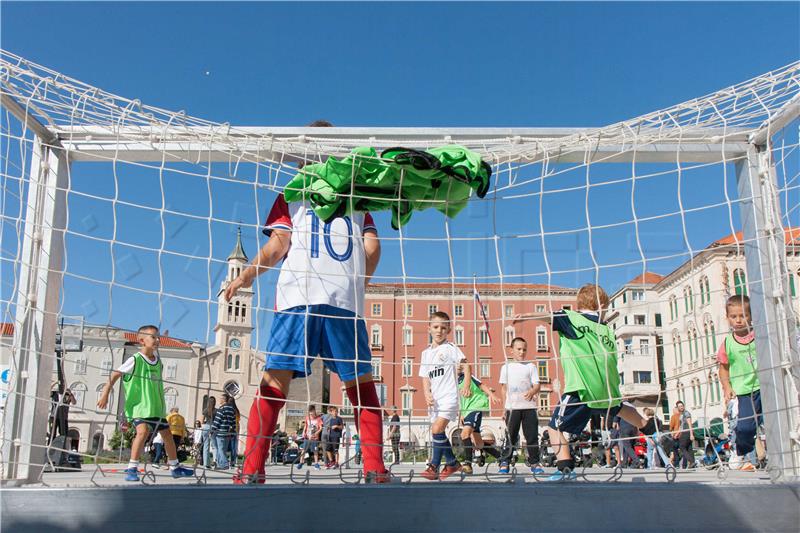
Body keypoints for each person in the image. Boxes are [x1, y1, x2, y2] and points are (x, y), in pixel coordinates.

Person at [227, 125, 388, 483]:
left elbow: (277, 246)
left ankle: (252, 468)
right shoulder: (355, 197)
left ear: (301, 154)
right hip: (344, 299)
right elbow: (373, 248)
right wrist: (361, 280)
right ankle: (376, 468)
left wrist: (246, 276)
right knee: (360, 387)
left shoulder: (293, 191)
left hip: (298, 297)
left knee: (275, 381)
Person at [514, 284, 652, 481]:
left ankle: (565, 469)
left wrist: (526, 316)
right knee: (618, 407)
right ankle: (650, 428)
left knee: (554, 428)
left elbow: (549, 316)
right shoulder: (605, 329)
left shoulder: (571, 318)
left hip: (582, 388)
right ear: (602, 305)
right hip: (607, 387)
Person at [97, 325, 193, 481]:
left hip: (156, 408)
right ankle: (132, 468)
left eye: (158, 337)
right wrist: (105, 393)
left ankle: (175, 467)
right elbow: (115, 374)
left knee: (167, 436)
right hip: (139, 407)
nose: (157, 340)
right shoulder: (135, 359)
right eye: (153, 337)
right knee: (142, 432)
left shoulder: (158, 362)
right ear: (141, 340)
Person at [419, 311, 470, 481]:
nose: (439, 330)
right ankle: (452, 462)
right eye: (435, 327)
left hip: (449, 397)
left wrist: (467, 385)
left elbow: (466, 365)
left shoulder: (451, 348)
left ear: (448, 330)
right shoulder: (425, 353)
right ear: (429, 328)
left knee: (436, 429)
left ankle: (433, 466)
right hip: (436, 400)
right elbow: (425, 376)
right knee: (437, 432)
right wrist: (427, 393)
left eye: (443, 327)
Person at [717, 294, 761, 472]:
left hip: (766, 386)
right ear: (727, 318)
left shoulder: (760, 334)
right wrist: (727, 387)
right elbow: (723, 368)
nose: (739, 320)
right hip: (744, 392)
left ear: (751, 316)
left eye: (743, 316)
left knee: (776, 425)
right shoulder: (728, 342)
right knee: (744, 428)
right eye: (734, 317)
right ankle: (742, 451)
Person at [498, 337, 543, 475]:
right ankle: (505, 461)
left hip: (529, 407)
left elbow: (537, 385)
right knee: (510, 436)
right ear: (511, 350)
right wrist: (504, 409)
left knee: (532, 436)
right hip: (512, 408)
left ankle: (535, 462)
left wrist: (532, 391)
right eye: (518, 349)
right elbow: (504, 389)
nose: (522, 352)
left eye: (524, 349)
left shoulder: (531, 366)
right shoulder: (505, 367)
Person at [457, 363, 502, 475]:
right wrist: (462, 413)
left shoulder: (468, 376)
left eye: (459, 365)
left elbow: (482, 385)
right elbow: (461, 398)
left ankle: (468, 464)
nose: (458, 366)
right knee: (479, 444)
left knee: (464, 435)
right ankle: (501, 456)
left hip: (475, 407)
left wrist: (492, 395)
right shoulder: (455, 380)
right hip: (467, 410)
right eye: (455, 365)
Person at [211, 393, 237, 469]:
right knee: (223, 449)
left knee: (221, 449)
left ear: (223, 399)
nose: (219, 400)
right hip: (228, 432)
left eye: (220, 398)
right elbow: (233, 421)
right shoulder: (232, 409)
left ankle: (225, 464)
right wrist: (233, 431)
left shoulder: (221, 408)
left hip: (220, 432)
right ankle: (220, 464)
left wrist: (212, 429)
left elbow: (217, 420)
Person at [297, 405, 323, 469]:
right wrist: (303, 432)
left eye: (312, 411)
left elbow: (321, 428)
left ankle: (316, 464)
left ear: (314, 410)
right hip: (307, 437)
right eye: (309, 412)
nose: (311, 413)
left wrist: (317, 433)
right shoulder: (307, 418)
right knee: (304, 450)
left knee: (315, 451)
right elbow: (306, 426)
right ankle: (301, 462)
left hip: (314, 438)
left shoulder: (318, 419)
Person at [674, 401, 695, 468]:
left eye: (682, 406)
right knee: (689, 448)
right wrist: (677, 433)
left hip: (687, 432)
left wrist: (691, 434)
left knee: (682, 447)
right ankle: (692, 463)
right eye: (680, 406)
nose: (681, 407)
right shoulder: (681, 414)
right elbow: (681, 426)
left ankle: (691, 461)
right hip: (683, 431)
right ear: (677, 408)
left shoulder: (686, 413)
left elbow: (690, 424)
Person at [201, 396, 216, 467]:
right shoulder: (216, 410)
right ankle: (215, 461)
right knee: (214, 445)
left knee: (205, 446)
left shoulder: (205, 410)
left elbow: (202, 421)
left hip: (206, 426)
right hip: (213, 426)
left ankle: (206, 463)